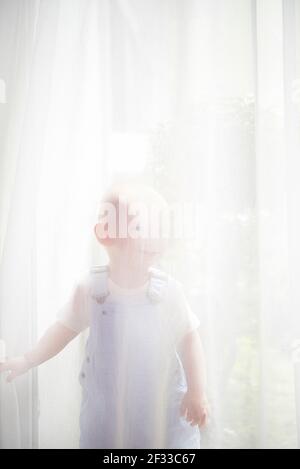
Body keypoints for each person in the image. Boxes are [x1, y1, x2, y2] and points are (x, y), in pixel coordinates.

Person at [0, 183, 209, 448]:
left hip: (162, 412)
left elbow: (190, 340)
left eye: (160, 229)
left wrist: (197, 391)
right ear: (105, 235)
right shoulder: (91, 289)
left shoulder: (169, 292)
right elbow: (62, 329)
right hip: (108, 415)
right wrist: (28, 359)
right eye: (141, 228)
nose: (156, 237)